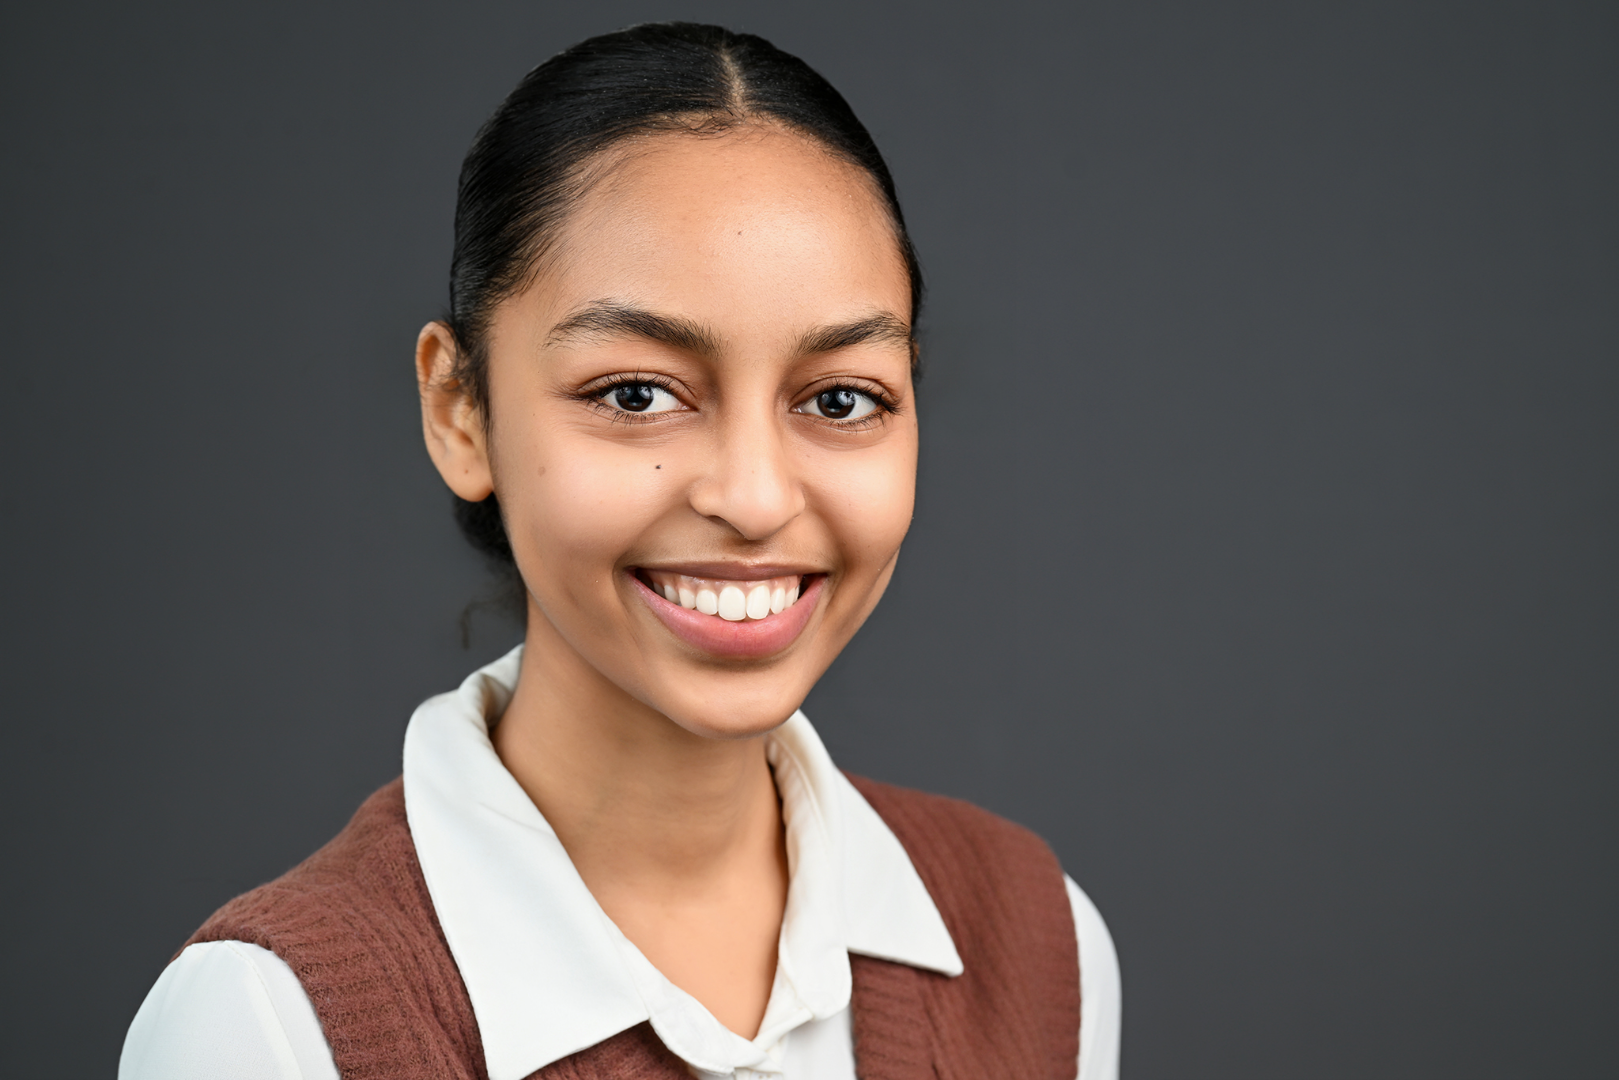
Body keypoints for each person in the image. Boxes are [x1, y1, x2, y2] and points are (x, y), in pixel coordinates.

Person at [119, 22, 1121, 1080]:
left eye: (839, 398)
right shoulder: (270, 1026)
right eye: (635, 395)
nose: (751, 496)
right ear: (460, 410)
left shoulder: (1037, 944)